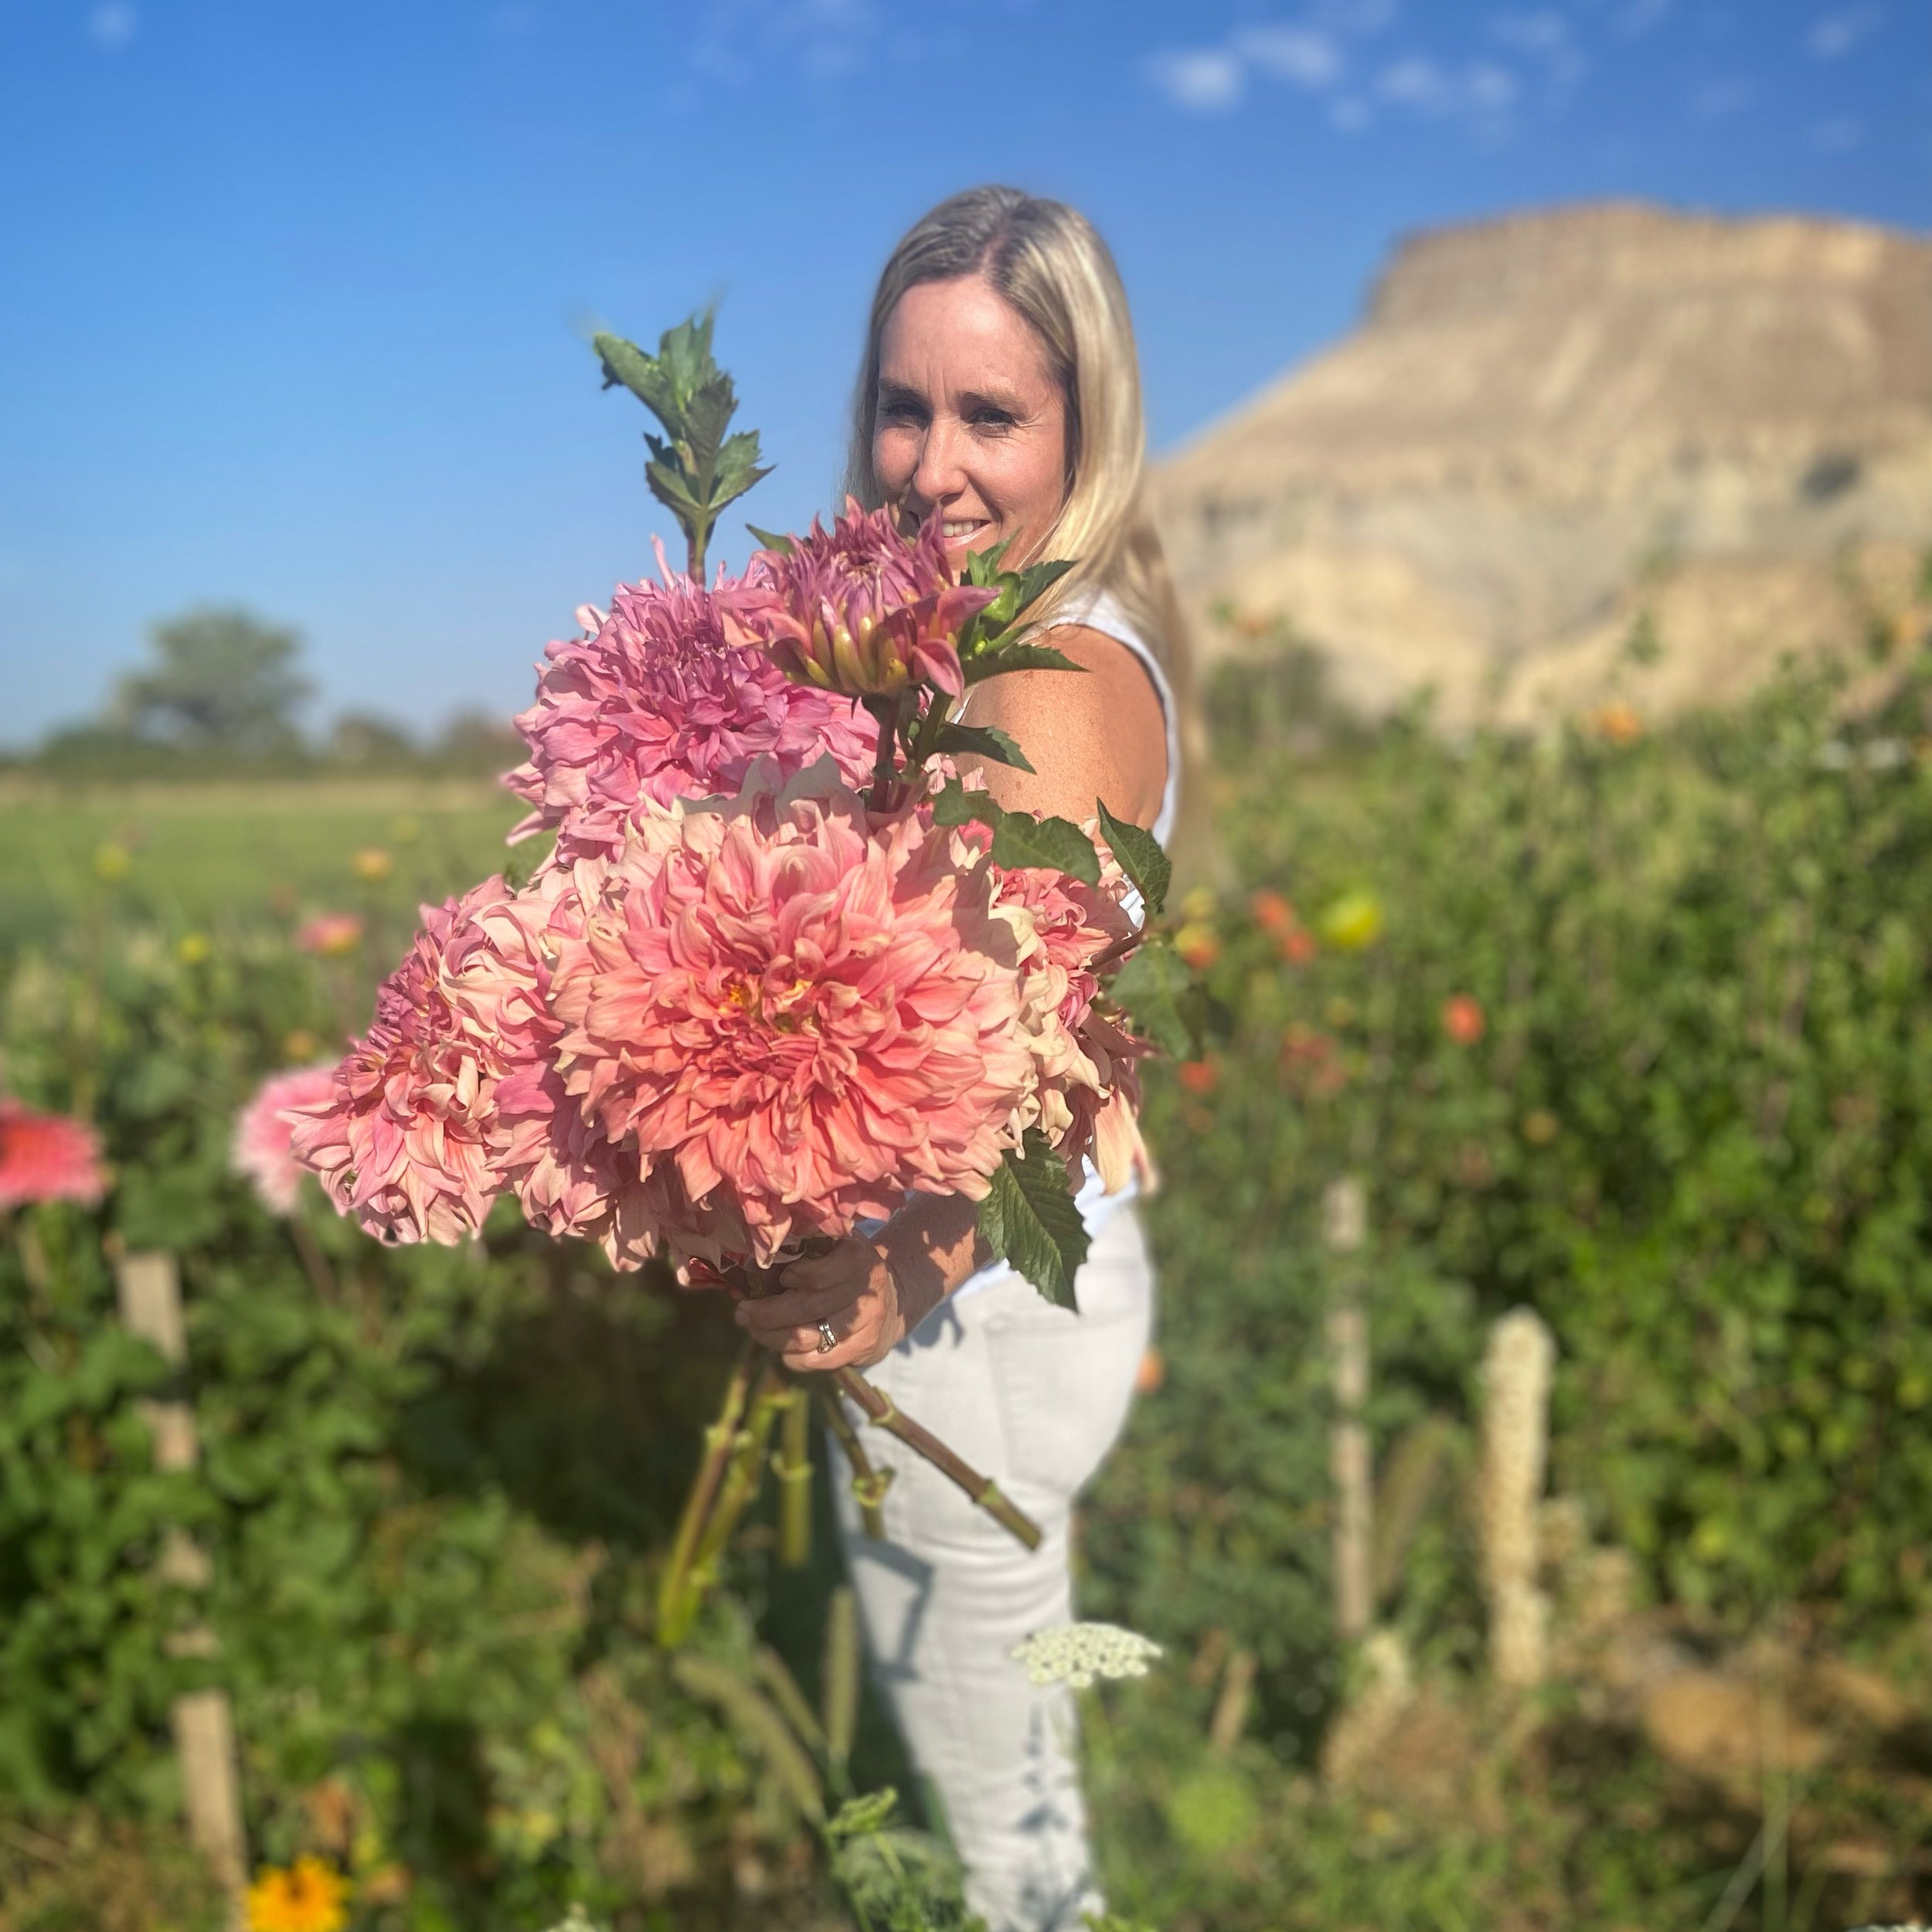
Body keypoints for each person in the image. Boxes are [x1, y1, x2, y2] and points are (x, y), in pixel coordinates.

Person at [734, 184, 1192, 1932]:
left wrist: (886, 1266)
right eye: (902, 404)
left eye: (989, 414)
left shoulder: (1047, 674)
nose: (931, 462)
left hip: (974, 1304)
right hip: (999, 1291)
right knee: (1019, 1790)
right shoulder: (973, 642)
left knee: (1012, 1865)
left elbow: (1040, 1034)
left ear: (1084, 428)